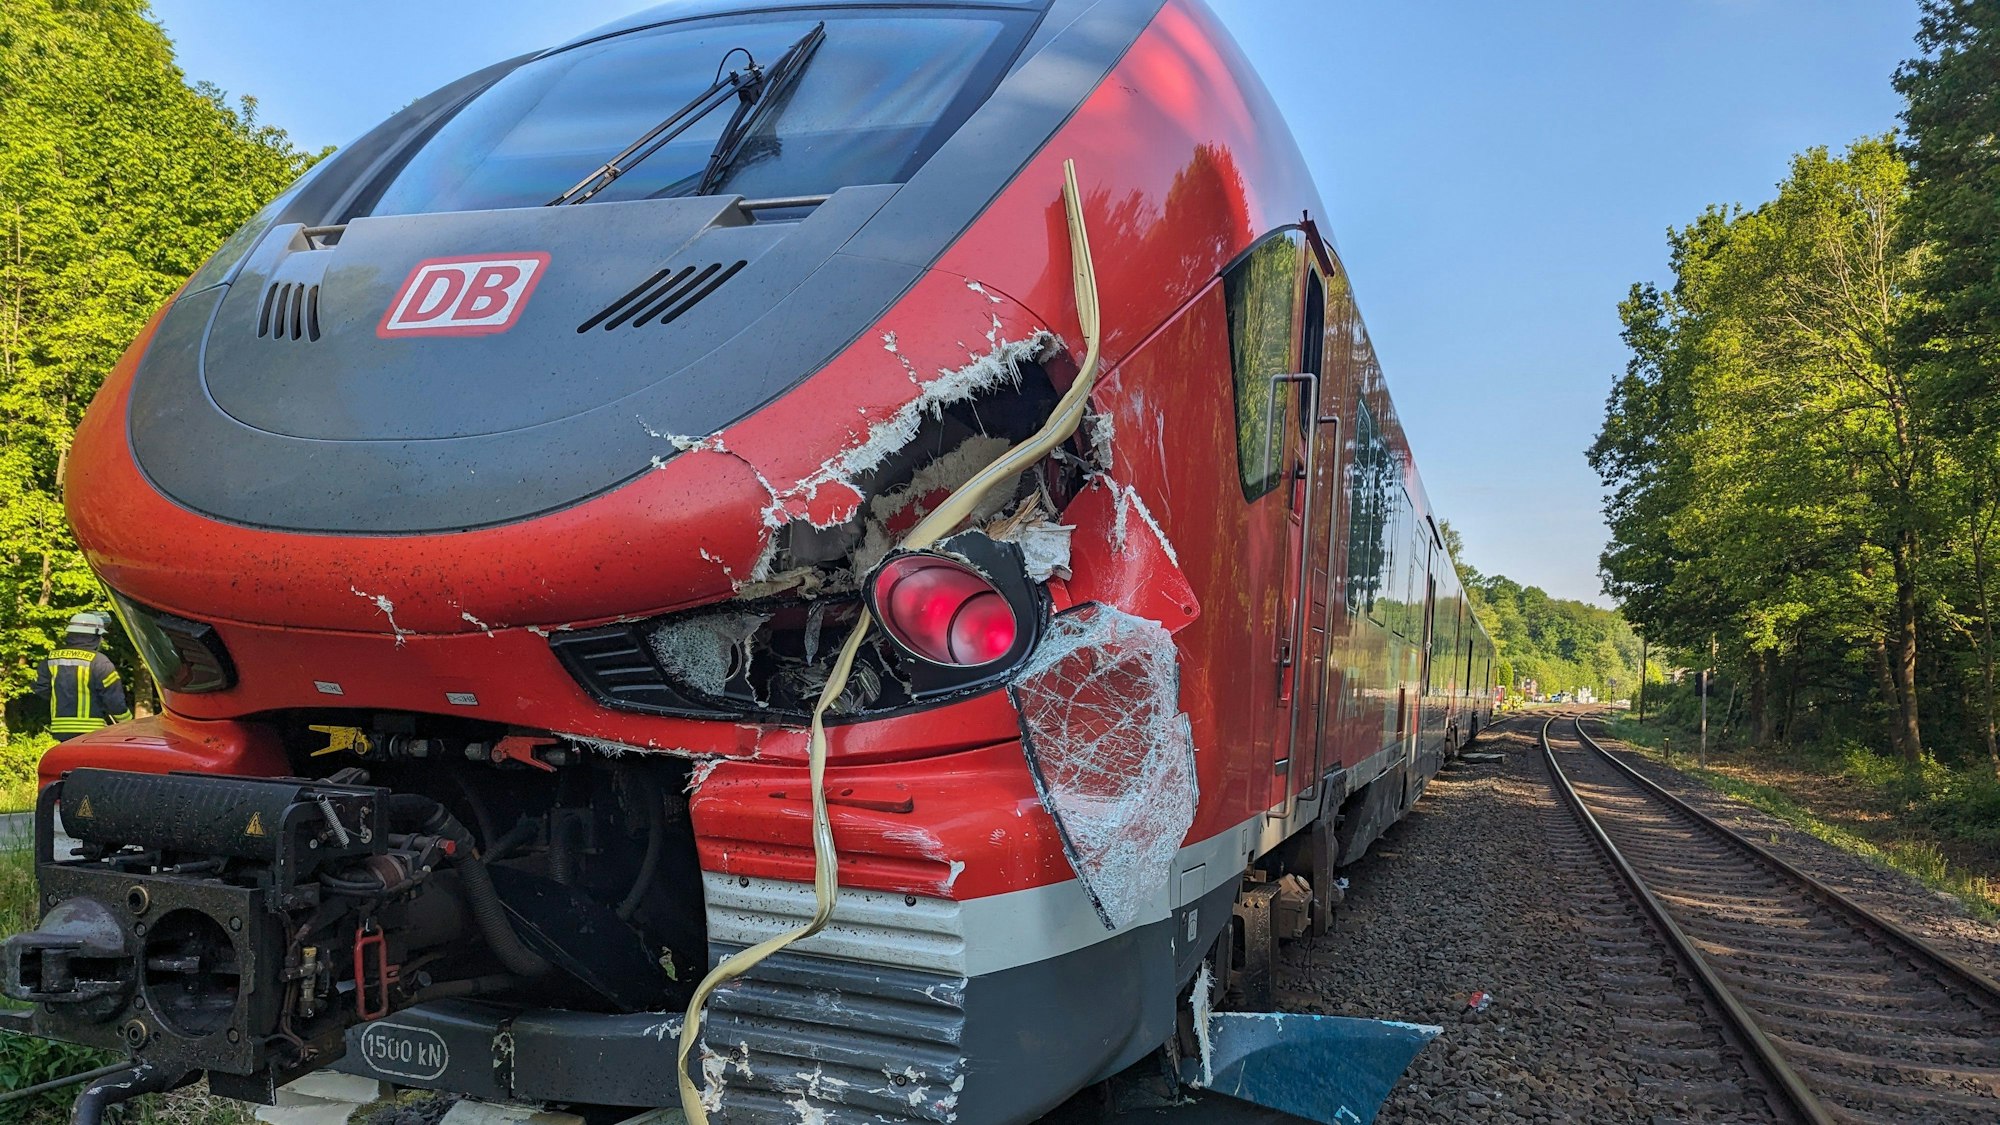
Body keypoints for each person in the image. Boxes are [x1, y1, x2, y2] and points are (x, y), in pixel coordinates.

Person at [32, 611, 134, 741]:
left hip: (60, 729)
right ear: (95, 636)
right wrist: (129, 723)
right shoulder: (99, 661)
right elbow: (113, 699)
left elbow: (42, 689)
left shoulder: (51, 659)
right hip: (92, 732)